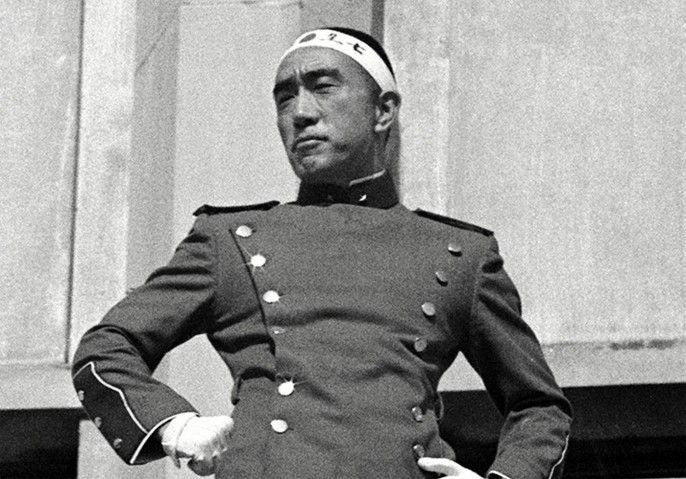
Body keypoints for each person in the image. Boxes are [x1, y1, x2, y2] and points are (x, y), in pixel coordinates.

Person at [72, 27, 572, 479]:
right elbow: (105, 348)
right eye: (284, 97)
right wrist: (173, 425)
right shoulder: (232, 240)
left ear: (383, 111)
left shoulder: (458, 254)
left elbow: (539, 407)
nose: (300, 112)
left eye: (323, 86)